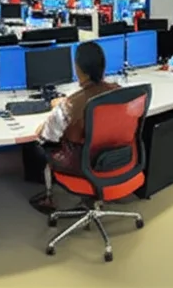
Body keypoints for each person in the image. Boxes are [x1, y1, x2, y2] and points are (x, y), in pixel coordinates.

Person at [28, 41, 119, 214]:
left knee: (40, 145)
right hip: (111, 157)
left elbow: (44, 135)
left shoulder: (71, 105)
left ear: (78, 69)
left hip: (80, 163)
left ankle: (49, 199)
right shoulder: (117, 92)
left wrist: (55, 112)